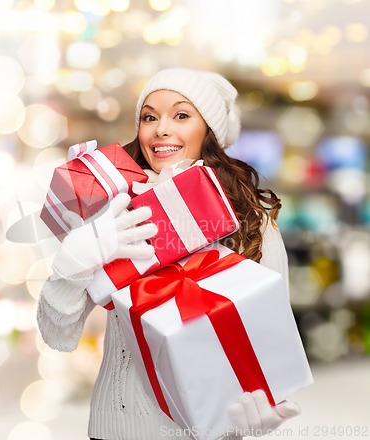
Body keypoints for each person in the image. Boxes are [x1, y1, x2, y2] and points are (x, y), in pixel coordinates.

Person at [37, 68, 301, 439]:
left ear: (208, 130)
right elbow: (57, 334)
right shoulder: (116, 211)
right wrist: (74, 260)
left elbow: (272, 338)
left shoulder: (252, 222)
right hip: (117, 429)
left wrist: (258, 414)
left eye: (181, 115)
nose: (161, 128)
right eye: (149, 116)